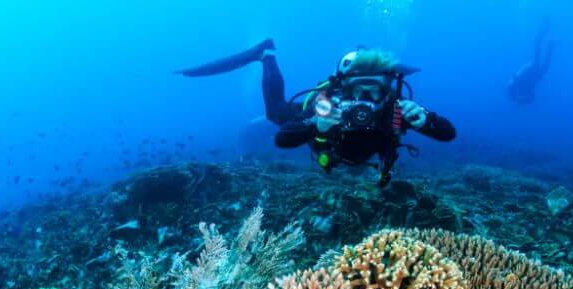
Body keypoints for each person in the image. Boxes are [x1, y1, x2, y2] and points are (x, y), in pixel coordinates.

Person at [177, 40, 456, 186]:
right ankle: (266, 55)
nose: (366, 100)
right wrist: (317, 126)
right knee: (276, 115)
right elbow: (283, 140)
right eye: (359, 90)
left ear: (388, 90)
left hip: (347, 154)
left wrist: (426, 120)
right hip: (319, 128)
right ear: (344, 88)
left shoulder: (394, 109)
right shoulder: (328, 105)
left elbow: (448, 134)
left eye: (375, 91)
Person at [508, 19, 554, 105]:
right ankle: (551, 43)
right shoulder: (520, 93)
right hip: (535, 76)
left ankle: (545, 27)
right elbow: (533, 96)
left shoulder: (514, 88)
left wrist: (522, 98)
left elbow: (514, 80)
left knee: (537, 47)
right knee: (544, 61)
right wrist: (525, 99)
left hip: (531, 71)